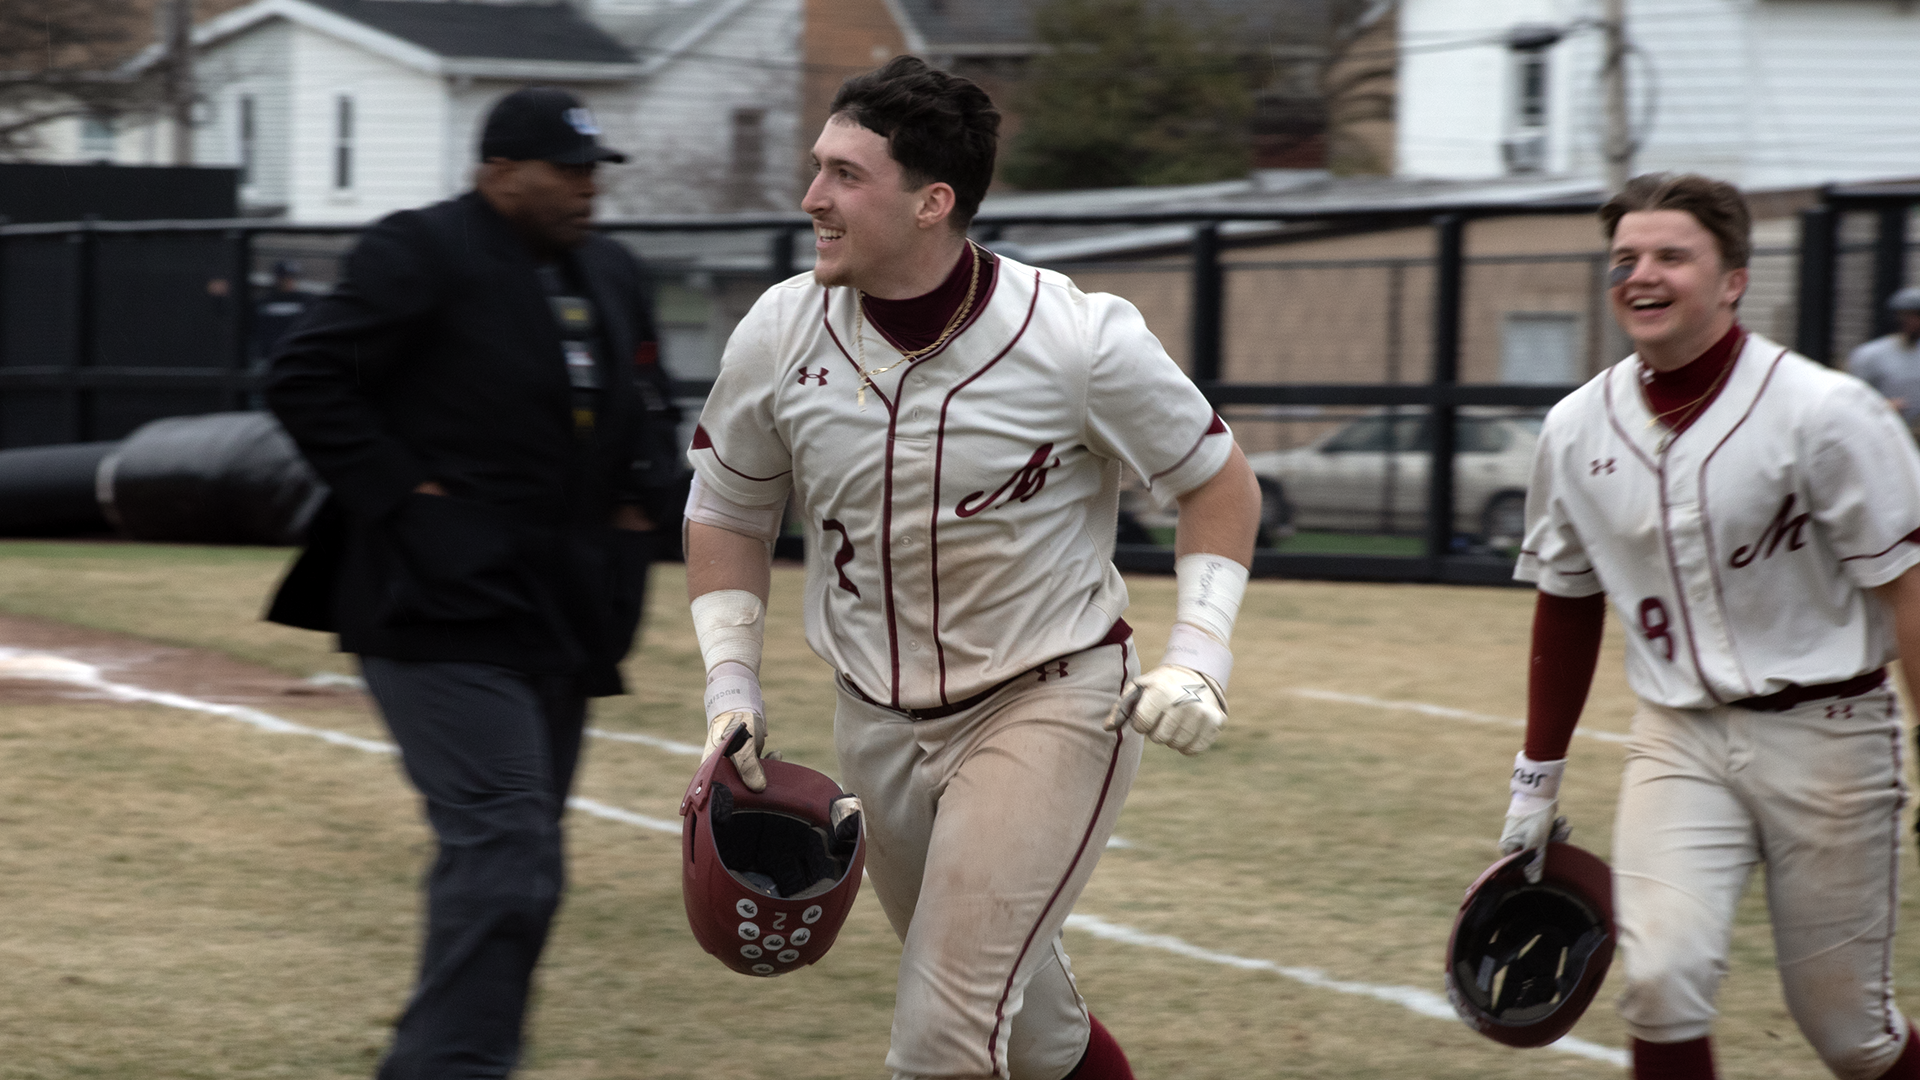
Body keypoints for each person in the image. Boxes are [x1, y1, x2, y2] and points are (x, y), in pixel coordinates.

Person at [682, 57, 1259, 1080]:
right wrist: (731, 681)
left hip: (1047, 702)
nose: (812, 196)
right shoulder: (781, 329)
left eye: (846, 175)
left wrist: (1201, 653)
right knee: (1032, 1034)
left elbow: (1219, 484)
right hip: (874, 723)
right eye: (818, 167)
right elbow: (730, 502)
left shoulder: (1077, 338)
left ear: (932, 201)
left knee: (944, 1042)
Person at [263, 86, 681, 1079]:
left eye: (594, 171)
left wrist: (640, 508)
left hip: (567, 610)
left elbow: (647, 407)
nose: (587, 189)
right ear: (498, 171)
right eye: (565, 171)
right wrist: (411, 499)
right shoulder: (421, 251)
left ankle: (458, 1052)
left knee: (525, 864)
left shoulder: (610, 270)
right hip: (434, 603)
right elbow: (304, 377)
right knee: (505, 850)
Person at [1501, 172, 1920, 1080]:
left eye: (1670, 256)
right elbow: (1568, 599)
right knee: (1658, 981)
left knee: (1854, 1036)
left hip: (1833, 733)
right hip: (1677, 738)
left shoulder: (1826, 411)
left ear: (1732, 279)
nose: (1641, 275)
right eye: (1624, 259)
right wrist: (1537, 778)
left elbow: (1909, 589)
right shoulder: (1575, 427)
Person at [1848, 285, 1920, 435]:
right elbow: (1851, 401)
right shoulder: (1869, 355)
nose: (1914, 322)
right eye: (1909, 315)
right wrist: (1882, 406)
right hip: (1884, 434)